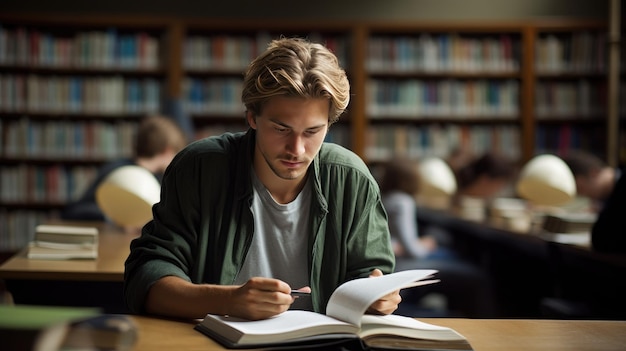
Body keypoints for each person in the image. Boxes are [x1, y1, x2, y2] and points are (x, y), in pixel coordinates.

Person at [123, 37, 398, 321]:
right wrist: (228, 300)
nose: (297, 149)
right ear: (252, 118)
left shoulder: (351, 179)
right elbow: (146, 279)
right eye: (281, 129)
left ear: (329, 125)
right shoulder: (200, 169)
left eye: (312, 131)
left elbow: (373, 277)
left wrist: (378, 298)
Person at [60, 115, 188, 232]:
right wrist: (115, 218)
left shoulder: (161, 180)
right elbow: (75, 211)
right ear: (168, 150)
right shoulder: (117, 172)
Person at [561, 150, 625, 254]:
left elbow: (602, 240)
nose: (583, 195)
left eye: (580, 188)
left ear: (593, 173)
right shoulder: (604, 198)